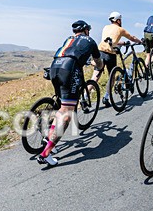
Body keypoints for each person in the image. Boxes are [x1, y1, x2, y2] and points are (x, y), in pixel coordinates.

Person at [36, 20, 104, 167]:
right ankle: (45, 154)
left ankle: (48, 130)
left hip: (55, 67)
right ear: (86, 30)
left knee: (61, 106)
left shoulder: (69, 39)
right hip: (70, 69)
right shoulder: (90, 41)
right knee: (67, 113)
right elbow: (98, 62)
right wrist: (100, 68)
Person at [97, 11, 143, 106]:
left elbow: (110, 39)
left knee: (96, 76)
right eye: (120, 20)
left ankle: (85, 96)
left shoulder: (105, 27)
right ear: (118, 20)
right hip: (110, 53)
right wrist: (140, 42)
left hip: (100, 51)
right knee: (112, 77)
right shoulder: (120, 29)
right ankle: (106, 97)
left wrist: (122, 43)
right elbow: (132, 38)